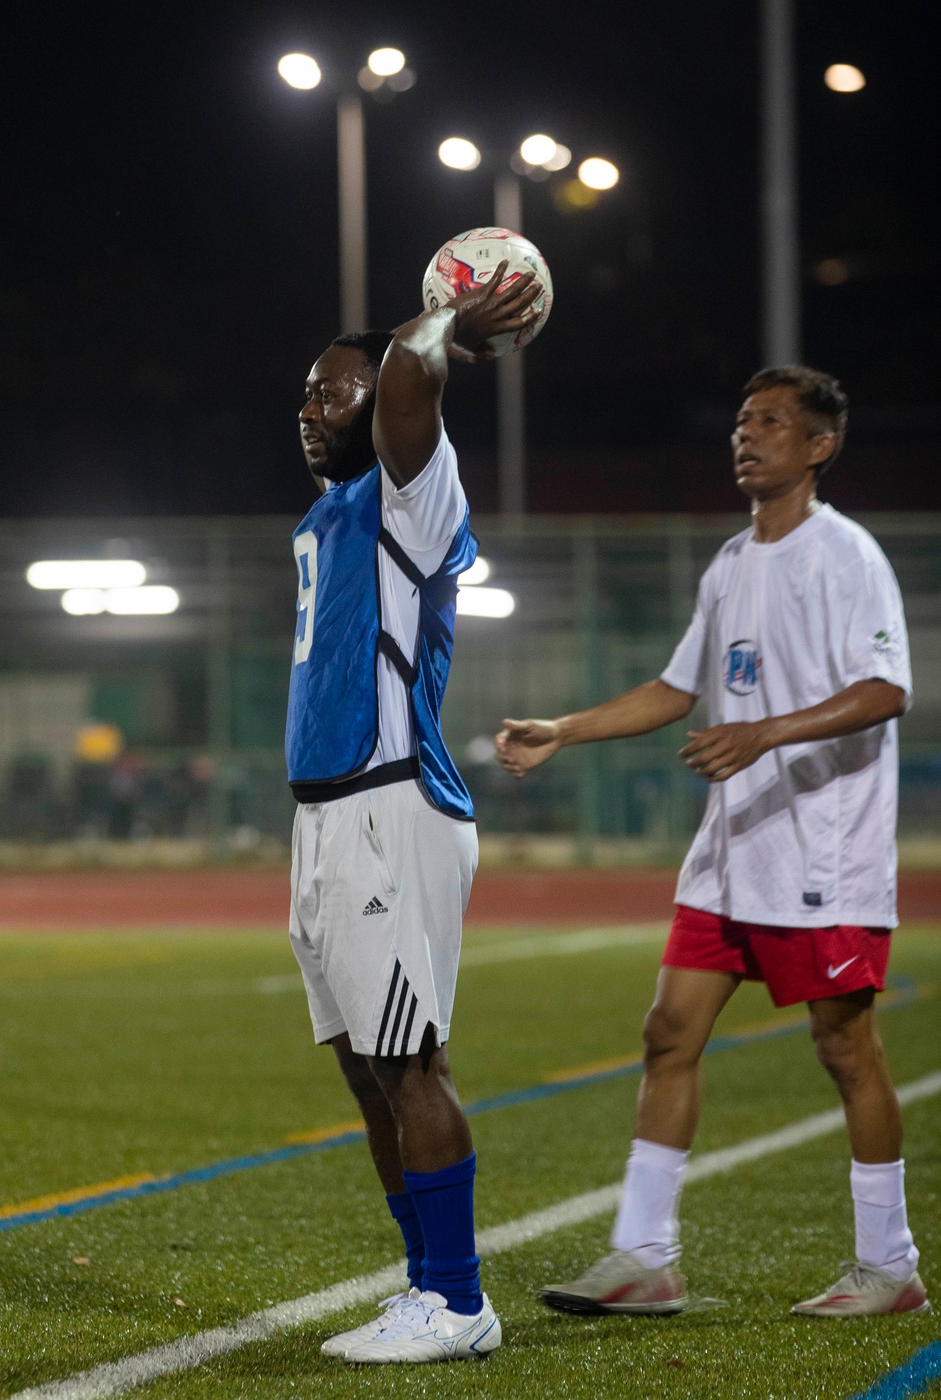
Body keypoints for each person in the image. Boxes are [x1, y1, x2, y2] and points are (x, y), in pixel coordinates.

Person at [495, 366, 928, 1319]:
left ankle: (889, 1266)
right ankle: (645, 1258)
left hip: (823, 856)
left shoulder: (845, 555)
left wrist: (762, 733)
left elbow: (886, 691)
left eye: (772, 422)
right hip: (730, 857)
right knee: (666, 1035)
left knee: (844, 1047)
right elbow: (676, 691)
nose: (748, 435)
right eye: (741, 420)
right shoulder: (731, 559)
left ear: (820, 447)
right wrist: (562, 729)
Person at [286, 266, 539, 1363]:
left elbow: (405, 391)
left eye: (331, 392)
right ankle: (421, 1284)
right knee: (361, 1063)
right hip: (328, 817)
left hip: (394, 805)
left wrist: (442, 313)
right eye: (304, 392)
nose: (309, 408)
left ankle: (456, 1299)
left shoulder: (412, 491)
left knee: (409, 1062)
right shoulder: (329, 511)